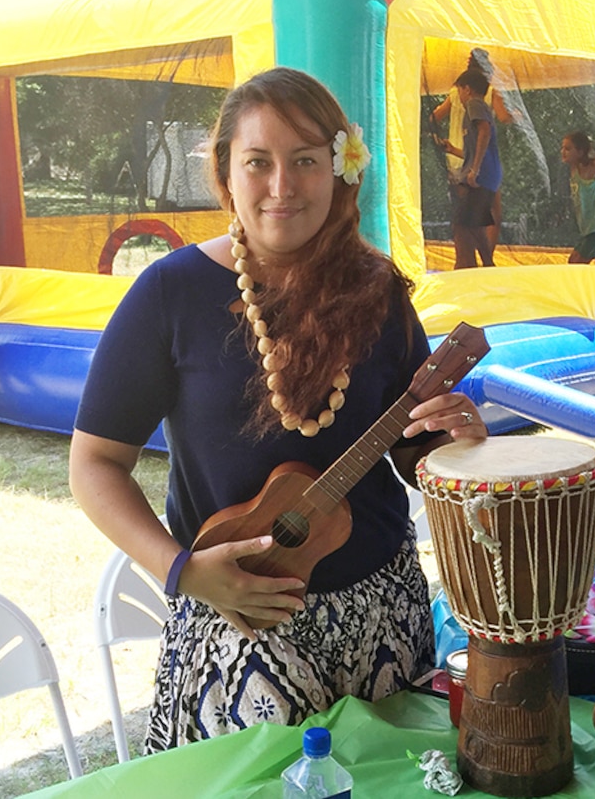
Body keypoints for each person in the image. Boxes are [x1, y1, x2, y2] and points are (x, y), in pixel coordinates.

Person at [68, 67, 487, 752]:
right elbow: (94, 463)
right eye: (258, 162)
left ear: (338, 170)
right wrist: (182, 572)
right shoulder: (169, 295)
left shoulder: (378, 290)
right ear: (227, 175)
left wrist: (455, 444)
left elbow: (413, 450)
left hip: (384, 619)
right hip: (237, 627)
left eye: (305, 162)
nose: (283, 187)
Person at [430, 49, 511, 253]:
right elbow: (500, 118)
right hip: (477, 162)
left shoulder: (456, 92)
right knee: (490, 214)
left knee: (466, 216)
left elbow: (435, 116)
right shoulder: (486, 94)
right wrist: (516, 114)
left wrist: (433, 135)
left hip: (457, 159)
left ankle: (470, 259)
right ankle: (485, 259)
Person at [438, 68, 503, 269]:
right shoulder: (478, 107)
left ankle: (485, 264)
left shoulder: (474, 104)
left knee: (463, 222)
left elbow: (484, 131)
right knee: (472, 222)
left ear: (467, 89)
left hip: (481, 175)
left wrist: (474, 170)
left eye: (459, 91)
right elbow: (475, 148)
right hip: (487, 174)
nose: (459, 97)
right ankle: (487, 263)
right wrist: (453, 150)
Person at [561, 131, 595, 264]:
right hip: (587, 229)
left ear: (580, 152)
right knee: (573, 261)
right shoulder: (573, 170)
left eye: (568, 149)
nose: (563, 151)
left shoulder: (589, 168)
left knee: (576, 263)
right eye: (562, 148)